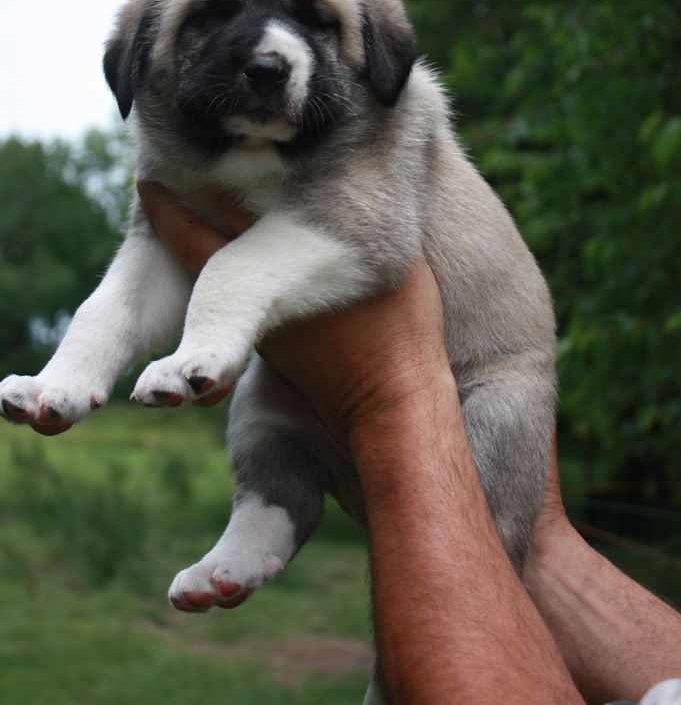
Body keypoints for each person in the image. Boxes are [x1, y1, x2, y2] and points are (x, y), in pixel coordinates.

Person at [138, 180, 681, 705]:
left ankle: (384, 667)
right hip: (334, 375)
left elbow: (378, 235)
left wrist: (391, 399)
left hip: (485, 370)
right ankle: (265, 512)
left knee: (502, 516)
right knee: (265, 397)